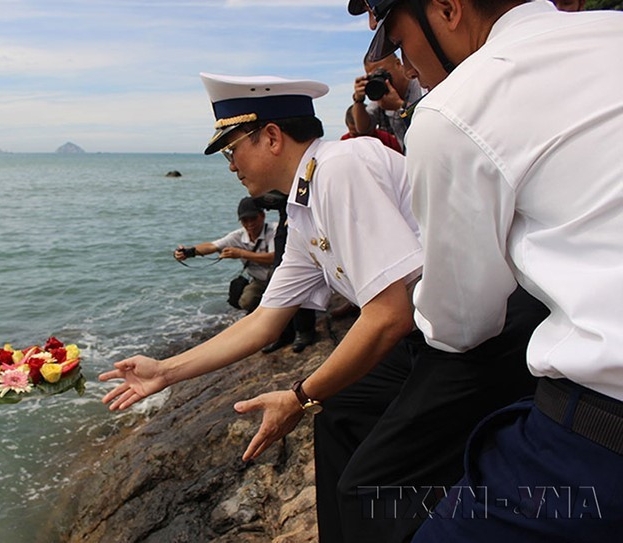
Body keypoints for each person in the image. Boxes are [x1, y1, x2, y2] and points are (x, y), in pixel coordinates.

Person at [102, 72, 547, 542]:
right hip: (433, 332)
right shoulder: (303, 205)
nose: (231, 165)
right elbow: (264, 321)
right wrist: (165, 371)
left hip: (487, 335)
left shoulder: (341, 167)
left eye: (233, 149)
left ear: (271, 136)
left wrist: (298, 396)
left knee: (367, 483)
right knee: (339, 418)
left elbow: (388, 313)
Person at [360, 0, 623, 540]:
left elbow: (463, 324)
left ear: (447, 10)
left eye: (399, 43)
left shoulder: (454, 108)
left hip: (602, 437)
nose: (405, 66)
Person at [175, 196, 276, 312]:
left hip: (278, 280)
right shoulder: (237, 236)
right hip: (259, 281)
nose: (250, 224)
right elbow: (212, 246)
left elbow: (273, 258)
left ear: (262, 216)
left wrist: (241, 253)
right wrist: (189, 252)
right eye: (245, 220)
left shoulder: (274, 231)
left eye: (253, 218)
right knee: (246, 301)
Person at [251, 190, 318, 354]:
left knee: (300, 280)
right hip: (284, 231)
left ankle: (306, 332)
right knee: (277, 281)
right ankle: (283, 333)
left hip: (302, 228)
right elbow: (261, 200)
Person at [352, 52, 423, 152]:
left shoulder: (421, 86)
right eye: (373, 76)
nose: (381, 80)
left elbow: (430, 119)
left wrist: (399, 105)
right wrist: (358, 100)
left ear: (398, 64)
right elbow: (363, 128)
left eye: (382, 73)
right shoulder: (383, 94)